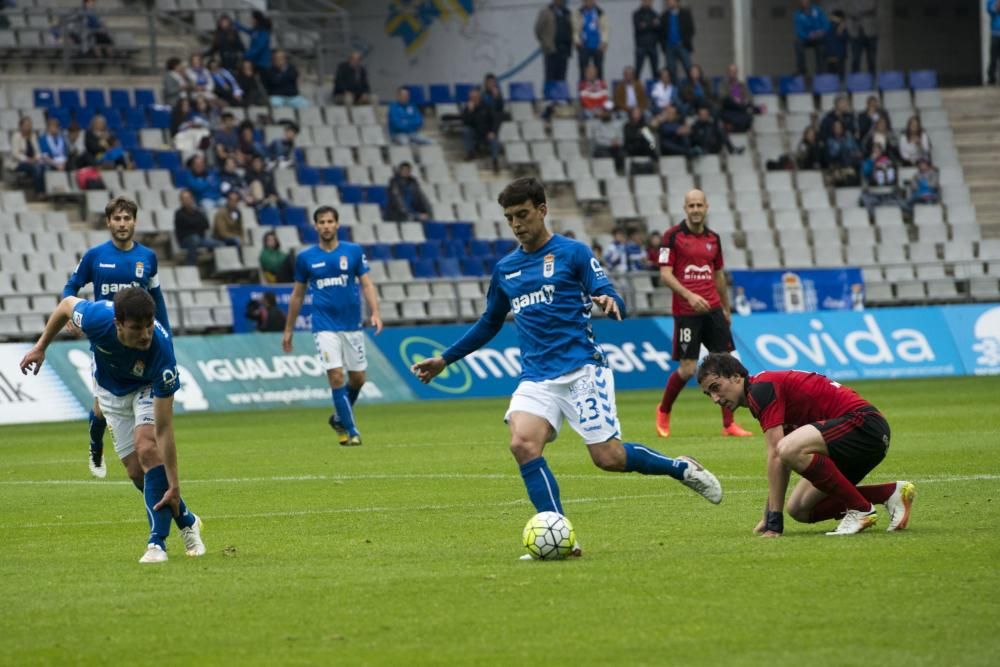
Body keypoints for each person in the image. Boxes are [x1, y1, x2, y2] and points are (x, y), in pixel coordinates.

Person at [411, 178, 723, 558]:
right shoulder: (506, 269)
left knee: (607, 458)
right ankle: (562, 538)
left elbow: (603, 285)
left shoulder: (572, 253)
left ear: (542, 210)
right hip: (536, 377)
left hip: (581, 370)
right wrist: (446, 358)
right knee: (522, 445)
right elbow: (489, 323)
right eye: (509, 218)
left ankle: (679, 468)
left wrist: (608, 298)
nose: (516, 224)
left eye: (523, 215)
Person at [20, 288, 206, 563]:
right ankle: (187, 520)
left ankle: (157, 544)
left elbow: (164, 430)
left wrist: (175, 484)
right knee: (135, 471)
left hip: (146, 388)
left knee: (147, 447)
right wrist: (40, 347)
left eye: (148, 326)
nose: (144, 334)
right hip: (110, 392)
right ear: (118, 324)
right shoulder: (96, 318)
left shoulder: (162, 352)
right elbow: (65, 306)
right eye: (135, 328)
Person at [696, 352, 916, 536]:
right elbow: (781, 459)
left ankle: (861, 510)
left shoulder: (761, 389)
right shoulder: (758, 395)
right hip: (855, 440)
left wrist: (774, 521)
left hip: (864, 426)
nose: (715, 399)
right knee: (799, 508)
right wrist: (770, 513)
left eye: (716, 387)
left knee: (787, 449)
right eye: (709, 394)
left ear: (736, 377)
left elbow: (777, 453)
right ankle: (890, 493)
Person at [62, 196, 171, 480]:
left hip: (140, 342)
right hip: (106, 341)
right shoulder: (95, 256)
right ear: (108, 222)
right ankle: (95, 446)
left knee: (131, 410)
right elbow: (71, 286)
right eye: (117, 219)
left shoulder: (147, 258)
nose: (122, 224)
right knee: (100, 409)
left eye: (127, 218)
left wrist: (166, 338)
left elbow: (157, 300)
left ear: (134, 221)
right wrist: (69, 314)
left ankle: (137, 439)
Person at [655, 189, 753, 439]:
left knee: (727, 366)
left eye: (700, 205)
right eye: (691, 205)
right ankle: (664, 411)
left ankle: (729, 424)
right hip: (687, 312)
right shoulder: (672, 237)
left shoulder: (713, 238)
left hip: (713, 310)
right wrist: (689, 295)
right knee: (687, 370)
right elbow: (665, 274)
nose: (696, 209)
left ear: (706, 207)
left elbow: (718, 274)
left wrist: (725, 307)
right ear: (685, 208)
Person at [283, 206, 382, 446]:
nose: (326, 226)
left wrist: (375, 312)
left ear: (337, 225)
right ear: (315, 226)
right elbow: (297, 295)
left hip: (352, 325)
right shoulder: (306, 258)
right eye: (321, 222)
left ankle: (339, 418)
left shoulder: (354, 252)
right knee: (336, 376)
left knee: (358, 379)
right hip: (324, 326)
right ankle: (352, 430)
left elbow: (366, 284)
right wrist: (289, 329)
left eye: (330, 221)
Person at [174, 189, 222, 265]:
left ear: (192, 199)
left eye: (189, 198)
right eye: (184, 199)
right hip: (185, 241)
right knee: (194, 238)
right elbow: (189, 223)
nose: (187, 201)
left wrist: (194, 223)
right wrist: (197, 223)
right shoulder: (179, 213)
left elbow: (206, 225)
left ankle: (213, 266)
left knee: (219, 244)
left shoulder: (198, 212)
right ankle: (190, 265)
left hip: (200, 239)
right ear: (181, 201)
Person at [461, 87, 501, 171]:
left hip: (486, 133)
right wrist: (470, 111)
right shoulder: (468, 108)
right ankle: (470, 153)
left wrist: (492, 132)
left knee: (494, 139)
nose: (472, 96)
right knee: (466, 130)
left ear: (479, 95)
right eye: (471, 94)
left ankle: (495, 161)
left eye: (474, 94)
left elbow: (495, 120)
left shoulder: (487, 106)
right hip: (475, 133)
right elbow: (466, 122)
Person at [535, 0, 573, 84]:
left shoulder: (567, 12)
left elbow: (571, 29)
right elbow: (538, 30)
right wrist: (545, 43)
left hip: (564, 49)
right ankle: (549, 95)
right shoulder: (546, 12)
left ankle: (561, 95)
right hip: (551, 50)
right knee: (550, 76)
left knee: (562, 77)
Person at [660, 0, 694, 87]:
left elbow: (691, 29)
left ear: (677, 2)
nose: (669, 3)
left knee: (688, 68)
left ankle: (691, 89)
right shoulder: (664, 16)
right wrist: (664, 45)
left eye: (671, 1)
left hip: (682, 45)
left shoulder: (685, 14)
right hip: (669, 46)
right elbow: (661, 33)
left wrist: (685, 41)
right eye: (668, 1)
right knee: (671, 71)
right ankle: (674, 91)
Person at [573, 0, 609, 81]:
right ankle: (583, 90)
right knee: (583, 70)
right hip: (584, 46)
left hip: (598, 46)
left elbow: (605, 28)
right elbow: (575, 29)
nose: (588, 2)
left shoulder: (600, 12)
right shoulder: (579, 13)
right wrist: (577, 41)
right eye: (586, 1)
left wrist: (604, 41)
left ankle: (600, 90)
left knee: (599, 70)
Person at [793, 0, 829, 77]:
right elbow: (799, 31)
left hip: (818, 37)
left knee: (821, 45)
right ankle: (802, 69)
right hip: (807, 38)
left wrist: (821, 32)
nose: (804, 2)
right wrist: (808, 36)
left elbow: (826, 24)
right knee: (797, 43)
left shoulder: (817, 10)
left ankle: (821, 70)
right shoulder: (797, 14)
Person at [7, 116, 43, 192]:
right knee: (36, 167)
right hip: (18, 163)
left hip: (33, 161)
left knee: (45, 167)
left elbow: (38, 151)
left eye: (29, 125)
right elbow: (15, 154)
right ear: (21, 126)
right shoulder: (16, 136)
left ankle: (47, 190)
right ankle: (39, 192)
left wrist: (36, 158)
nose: (28, 127)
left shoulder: (33, 136)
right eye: (26, 125)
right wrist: (28, 160)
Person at [718, 64, 756, 133]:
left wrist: (743, 100)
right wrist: (734, 100)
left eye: (734, 71)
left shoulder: (742, 85)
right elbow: (723, 97)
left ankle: (737, 128)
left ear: (737, 73)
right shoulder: (723, 85)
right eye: (731, 71)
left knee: (750, 114)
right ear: (728, 72)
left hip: (741, 109)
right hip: (729, 109)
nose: (732, 73)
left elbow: (749, 97)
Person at [588, 101, 625, 170]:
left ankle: (619, 172)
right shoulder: (596, 124)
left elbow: (621, 138)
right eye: (605, 111)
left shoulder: (617, 124)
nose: (607, 113)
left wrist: (618, 142)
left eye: (609, 111)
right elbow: (598, 140)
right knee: (605, 155)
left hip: (615, 148)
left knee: (622, 153)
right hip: (601, 148)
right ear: (601, 111)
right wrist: (611, 143)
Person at [846, 0, 878, 75]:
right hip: (856, 33)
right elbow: (849, 11)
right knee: (855, 60)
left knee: (871, 59)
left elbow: (872, 7)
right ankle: (855, 80)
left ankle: (872, 80)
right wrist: (864, 13)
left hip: (870, 32)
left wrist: (858, 13)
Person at [633, 0, 660, 79]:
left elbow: (658, 28)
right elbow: (639, 27)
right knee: (638, 70)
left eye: (649, 1)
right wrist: (652, 24)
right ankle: (635, 88)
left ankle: (657, 89)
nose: (647, 2)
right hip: (641, 45)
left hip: (653, 45)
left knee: (655, 71)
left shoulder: (655, 14)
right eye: (645, 1)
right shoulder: (637, 14)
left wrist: (646, 24)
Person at [823, 9, 849, 78]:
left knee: (837, 77)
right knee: (833, 77)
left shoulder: (842, 27)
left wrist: (840, 30)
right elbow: (826, 39)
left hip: (839, 55)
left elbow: (845, 38)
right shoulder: (829, 26)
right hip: (832, 55)